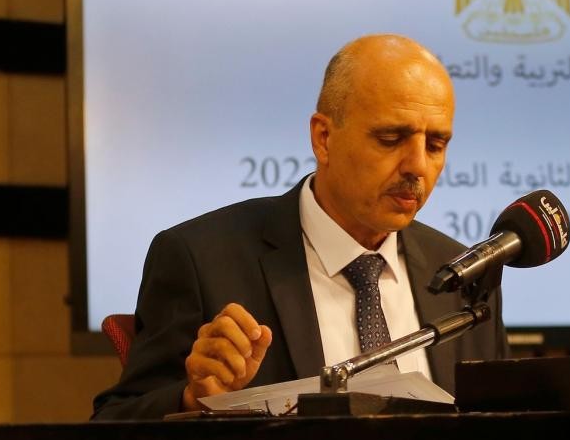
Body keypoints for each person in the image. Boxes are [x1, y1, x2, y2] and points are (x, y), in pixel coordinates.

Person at [92, 34, 508, 420]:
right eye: (390, 139)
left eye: (435, 145)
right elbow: (113, 424)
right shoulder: (201, 260)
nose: (418, 166)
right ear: (324, 138)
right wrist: (192, 399)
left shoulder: (464, 273)